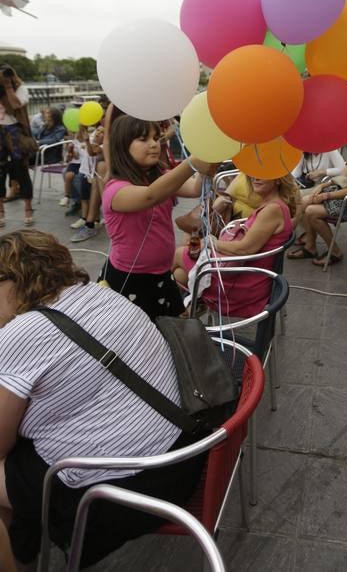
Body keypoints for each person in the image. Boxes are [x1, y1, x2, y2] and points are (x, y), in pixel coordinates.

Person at [0, 229, 206, 570]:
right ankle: (23, 551)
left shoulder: (20, 333)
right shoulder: (100, 294)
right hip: (181, 460)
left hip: (117, 495)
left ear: (12, 279)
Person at [101, 114, 214, 321]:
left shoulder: (160, 177)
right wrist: (192, 163)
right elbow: (149, 196)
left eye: (156, 138)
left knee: (172, 331)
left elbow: (195, 187)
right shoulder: (115, 190)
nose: (154, 145)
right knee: (136, 338)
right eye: (143, 139)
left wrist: (209, 162)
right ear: (122, 146)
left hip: (162, 274)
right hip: (129, 278)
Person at [176, 174, 295, 318]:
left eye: (262, 174)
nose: (255, 178)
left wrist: (211, 242)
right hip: (249, 276)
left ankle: (165, 316)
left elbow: (244, 249)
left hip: (244, 286)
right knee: (179, 274)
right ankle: (189, 308)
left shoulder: (273, 209)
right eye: (253, 175)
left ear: (277, 179)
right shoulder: (273, 205)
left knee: (177, 255)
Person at [289, 118, 347, 266]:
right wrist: (323, 186)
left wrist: (325, 195)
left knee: (310, 211)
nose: (346, 138)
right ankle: (310, 246)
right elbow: (342, 176)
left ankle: (334, 251)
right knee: (306, 201)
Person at [0, 65, 34, 227]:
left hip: (15, 132)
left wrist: (8, 86)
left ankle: (28, 208)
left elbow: (15, 105)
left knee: (21, 170)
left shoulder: (20, 89)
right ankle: (1, 211)